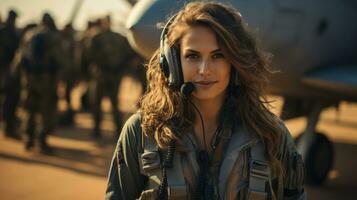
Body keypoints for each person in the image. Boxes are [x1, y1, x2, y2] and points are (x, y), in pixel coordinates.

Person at [106, 2, 306, 200]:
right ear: (173, 64)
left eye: (218, 55)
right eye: (192, 56)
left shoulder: (271, 135)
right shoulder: (142, 132)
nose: (204, 70)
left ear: (235, 62)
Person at [19, 13, 61, 153]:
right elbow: (59, 60)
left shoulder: (29, 34)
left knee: (29, 109)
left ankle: (28, 139)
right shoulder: (53, 36)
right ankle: (41, 141)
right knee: (45, 110)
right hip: (46, 80)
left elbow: (20, 57)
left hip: (29, 78)